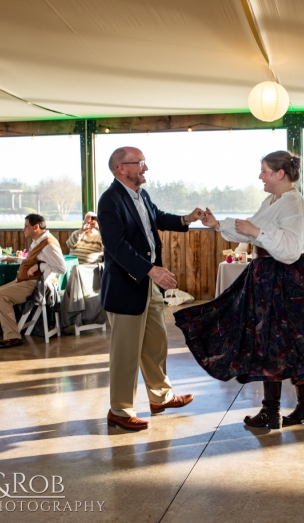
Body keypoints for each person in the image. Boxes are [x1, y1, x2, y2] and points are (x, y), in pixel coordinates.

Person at [174, 151, 304, 430]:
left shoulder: (294, 204)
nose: (260, 176)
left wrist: (258, 233)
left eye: (265, 171)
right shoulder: (273, 200)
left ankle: (278, 409)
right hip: (268, 276)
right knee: (278, 341)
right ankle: (297, 405)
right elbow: (250, 230)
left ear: (280, 174)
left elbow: (292, 249)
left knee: (278, 341)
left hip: (287, 278)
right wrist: (218, 224)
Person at [97, 146, 204, 431]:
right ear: (121, 168)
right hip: (126, 287)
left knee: (156, 344)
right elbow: (115, 245)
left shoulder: (141, 195)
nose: (145, 168)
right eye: (140, 163)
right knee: (126, 353)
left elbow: (157, 218)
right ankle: (119, 410)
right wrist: (151, 269)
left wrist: (186, 219)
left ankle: (161, 397)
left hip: (148, 286)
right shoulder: (110, 201)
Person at [0, 213, 66, 349]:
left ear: (35, 227)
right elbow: (32, 261)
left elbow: (61, 268)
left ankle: (12, 336)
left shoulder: (48, 243)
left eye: (26, 226)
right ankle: (9, 327)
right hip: (27, 280)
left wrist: (39, 266)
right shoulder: (38, 241)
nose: (23, 229)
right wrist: (14, 259)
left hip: (36, 284)